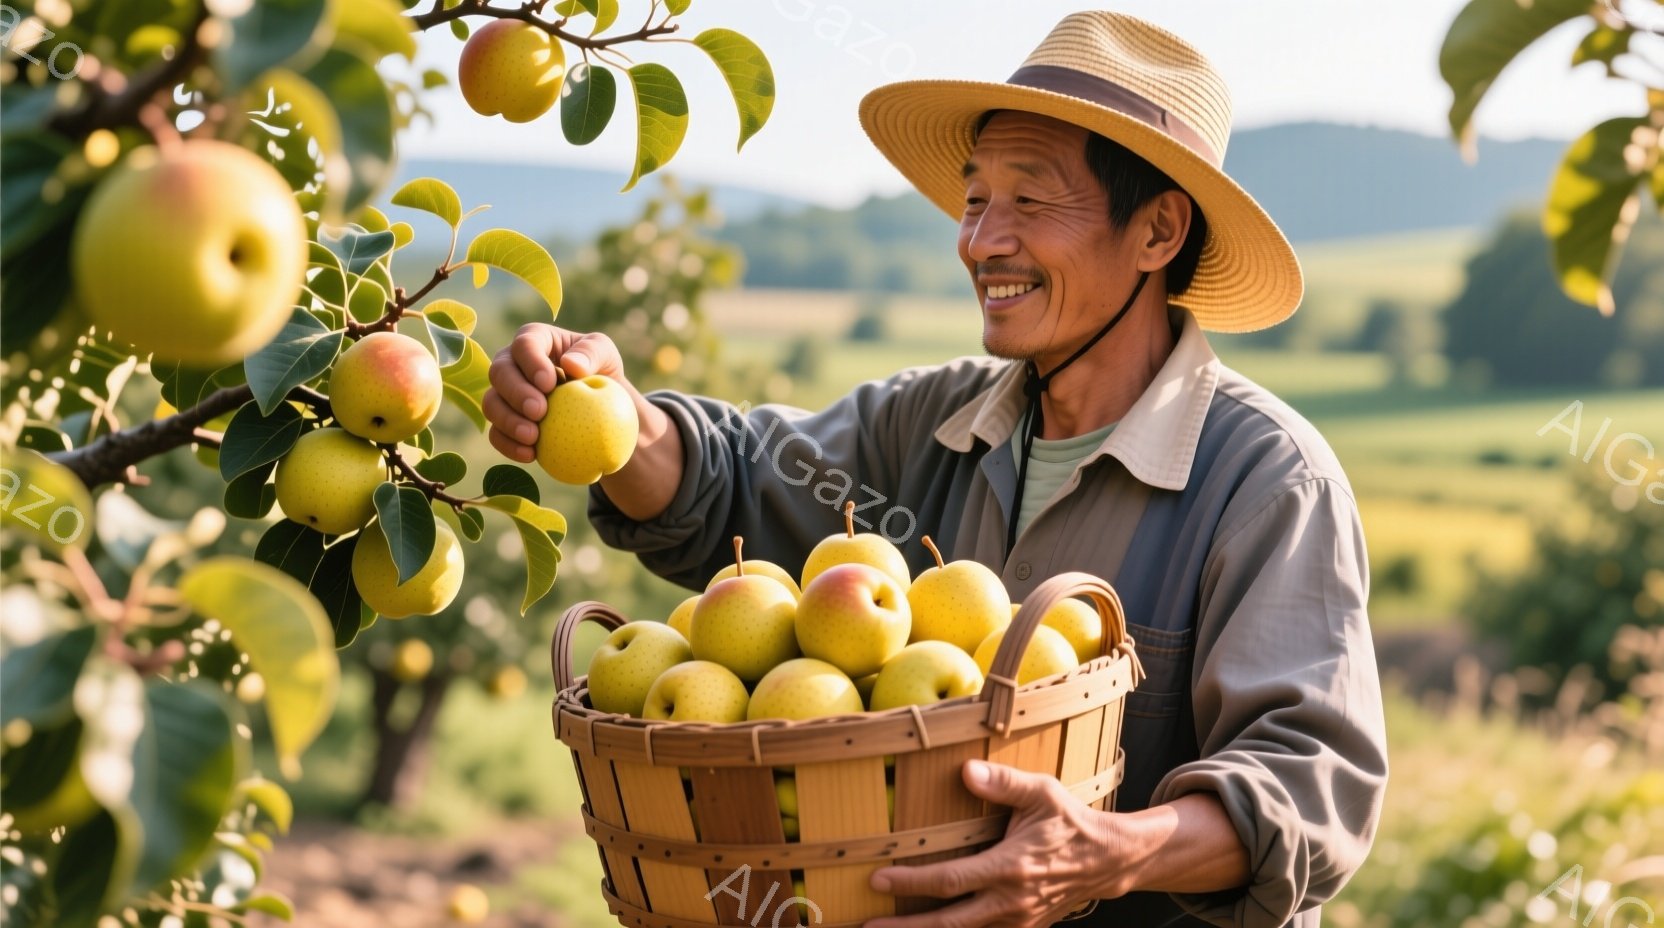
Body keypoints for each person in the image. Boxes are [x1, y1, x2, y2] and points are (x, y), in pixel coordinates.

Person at [484, 11, 1387, 928]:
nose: (981, 241)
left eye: (1030, 202)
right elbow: (732, 482)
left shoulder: (1267, 482)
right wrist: (610, 410)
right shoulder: (931, 424)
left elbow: (1310, 792)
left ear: (1157, 231)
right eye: (974, 200)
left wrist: (1107, 855)